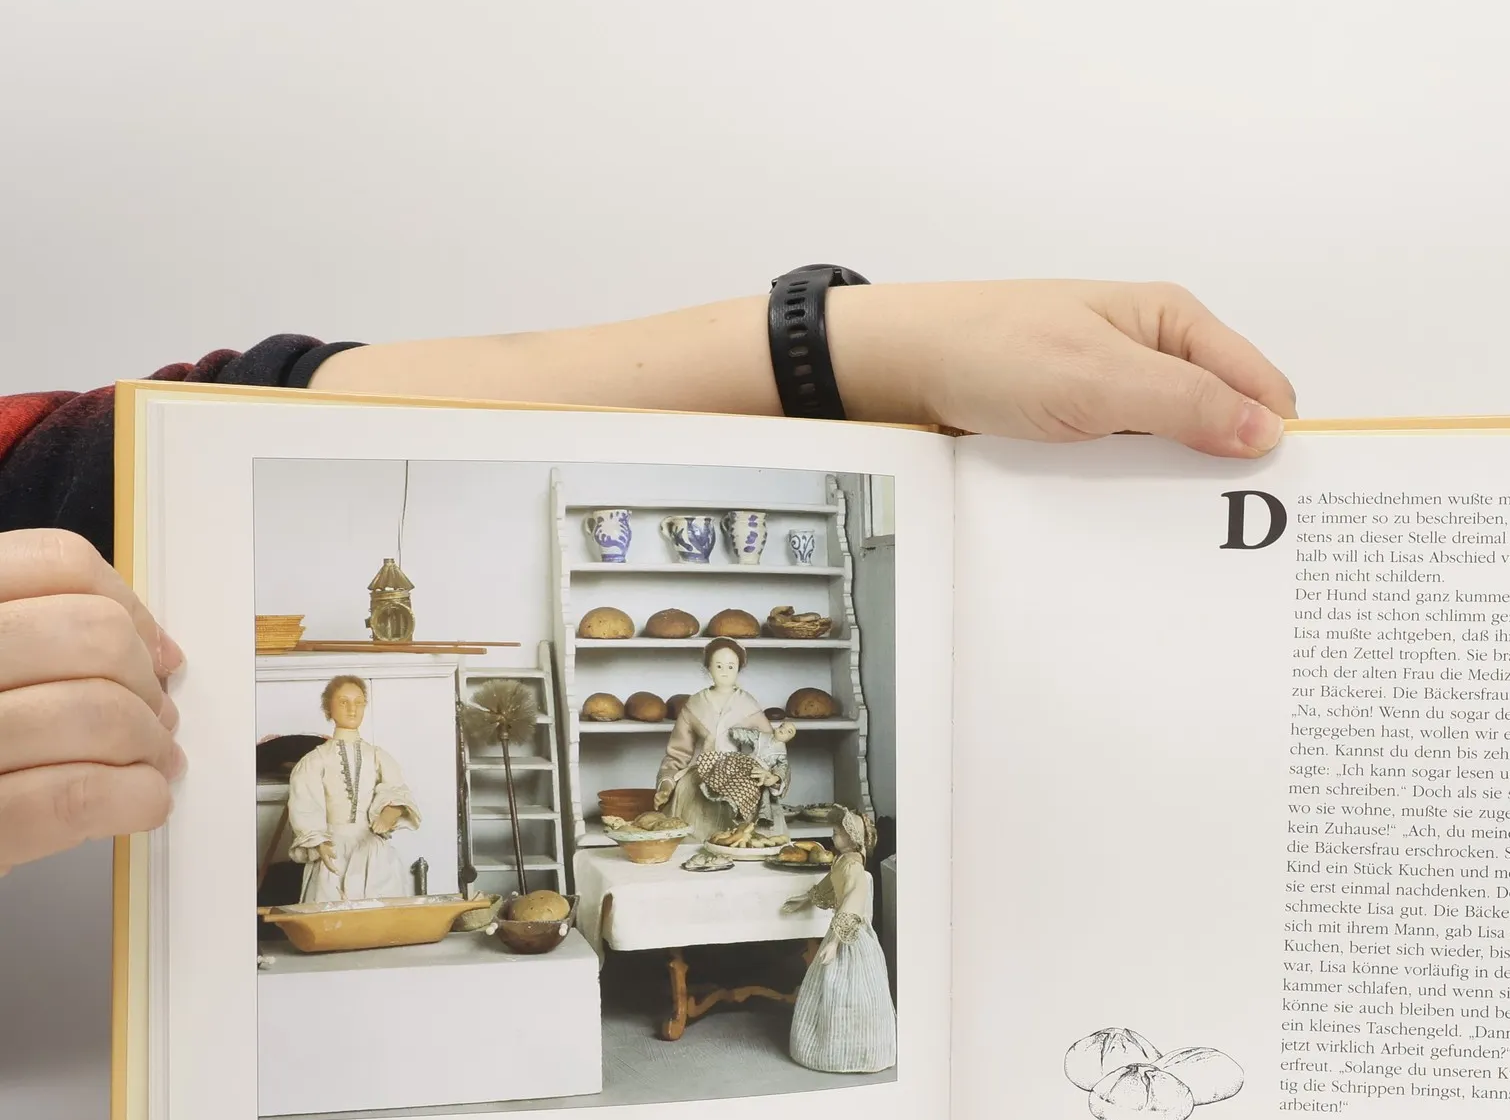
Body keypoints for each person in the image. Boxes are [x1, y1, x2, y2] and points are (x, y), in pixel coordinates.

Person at [0, 279, 1295, 876]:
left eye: (730, 658)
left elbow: (183, 439)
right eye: (719, 659)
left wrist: (865, 344)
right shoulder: (688, 700)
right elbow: (676, 749)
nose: (723, 665)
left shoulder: (746, 696)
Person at [283, 676, 421, 903]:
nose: (352, 709)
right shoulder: (315, 760)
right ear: (328, 707)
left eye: (359, 702)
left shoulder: (377, 756)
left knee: (380, 906)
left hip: (371, 850)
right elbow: (305, 803)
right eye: (343, 701)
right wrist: (318, 841)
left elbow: (396, 789)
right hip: (333, 849)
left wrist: (390, 811)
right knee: (331, 904)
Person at [782, 807, 895, 1075]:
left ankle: (857, 1051)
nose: (833, 836)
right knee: (829, 988)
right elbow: (829, 884)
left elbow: (853, 904)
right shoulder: (843, 860)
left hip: (851, 933)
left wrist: (835, 942)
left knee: (852, 989)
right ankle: (831, 1046)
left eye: (837, 833)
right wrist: (806, 898)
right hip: (840, 929)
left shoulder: (854, 867)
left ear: (852, 837)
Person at [653, 639, 796, 842]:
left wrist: (772, 776)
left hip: (742, 784)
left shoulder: (748, 704)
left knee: (744, 843)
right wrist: (666, 785)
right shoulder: (695, 704)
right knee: (694, 846)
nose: (725, 672)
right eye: (719, 666)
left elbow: (773, 748)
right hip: (699, 785)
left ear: (739, 669)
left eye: (731, 666)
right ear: (708, 668)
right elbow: (677, 753)